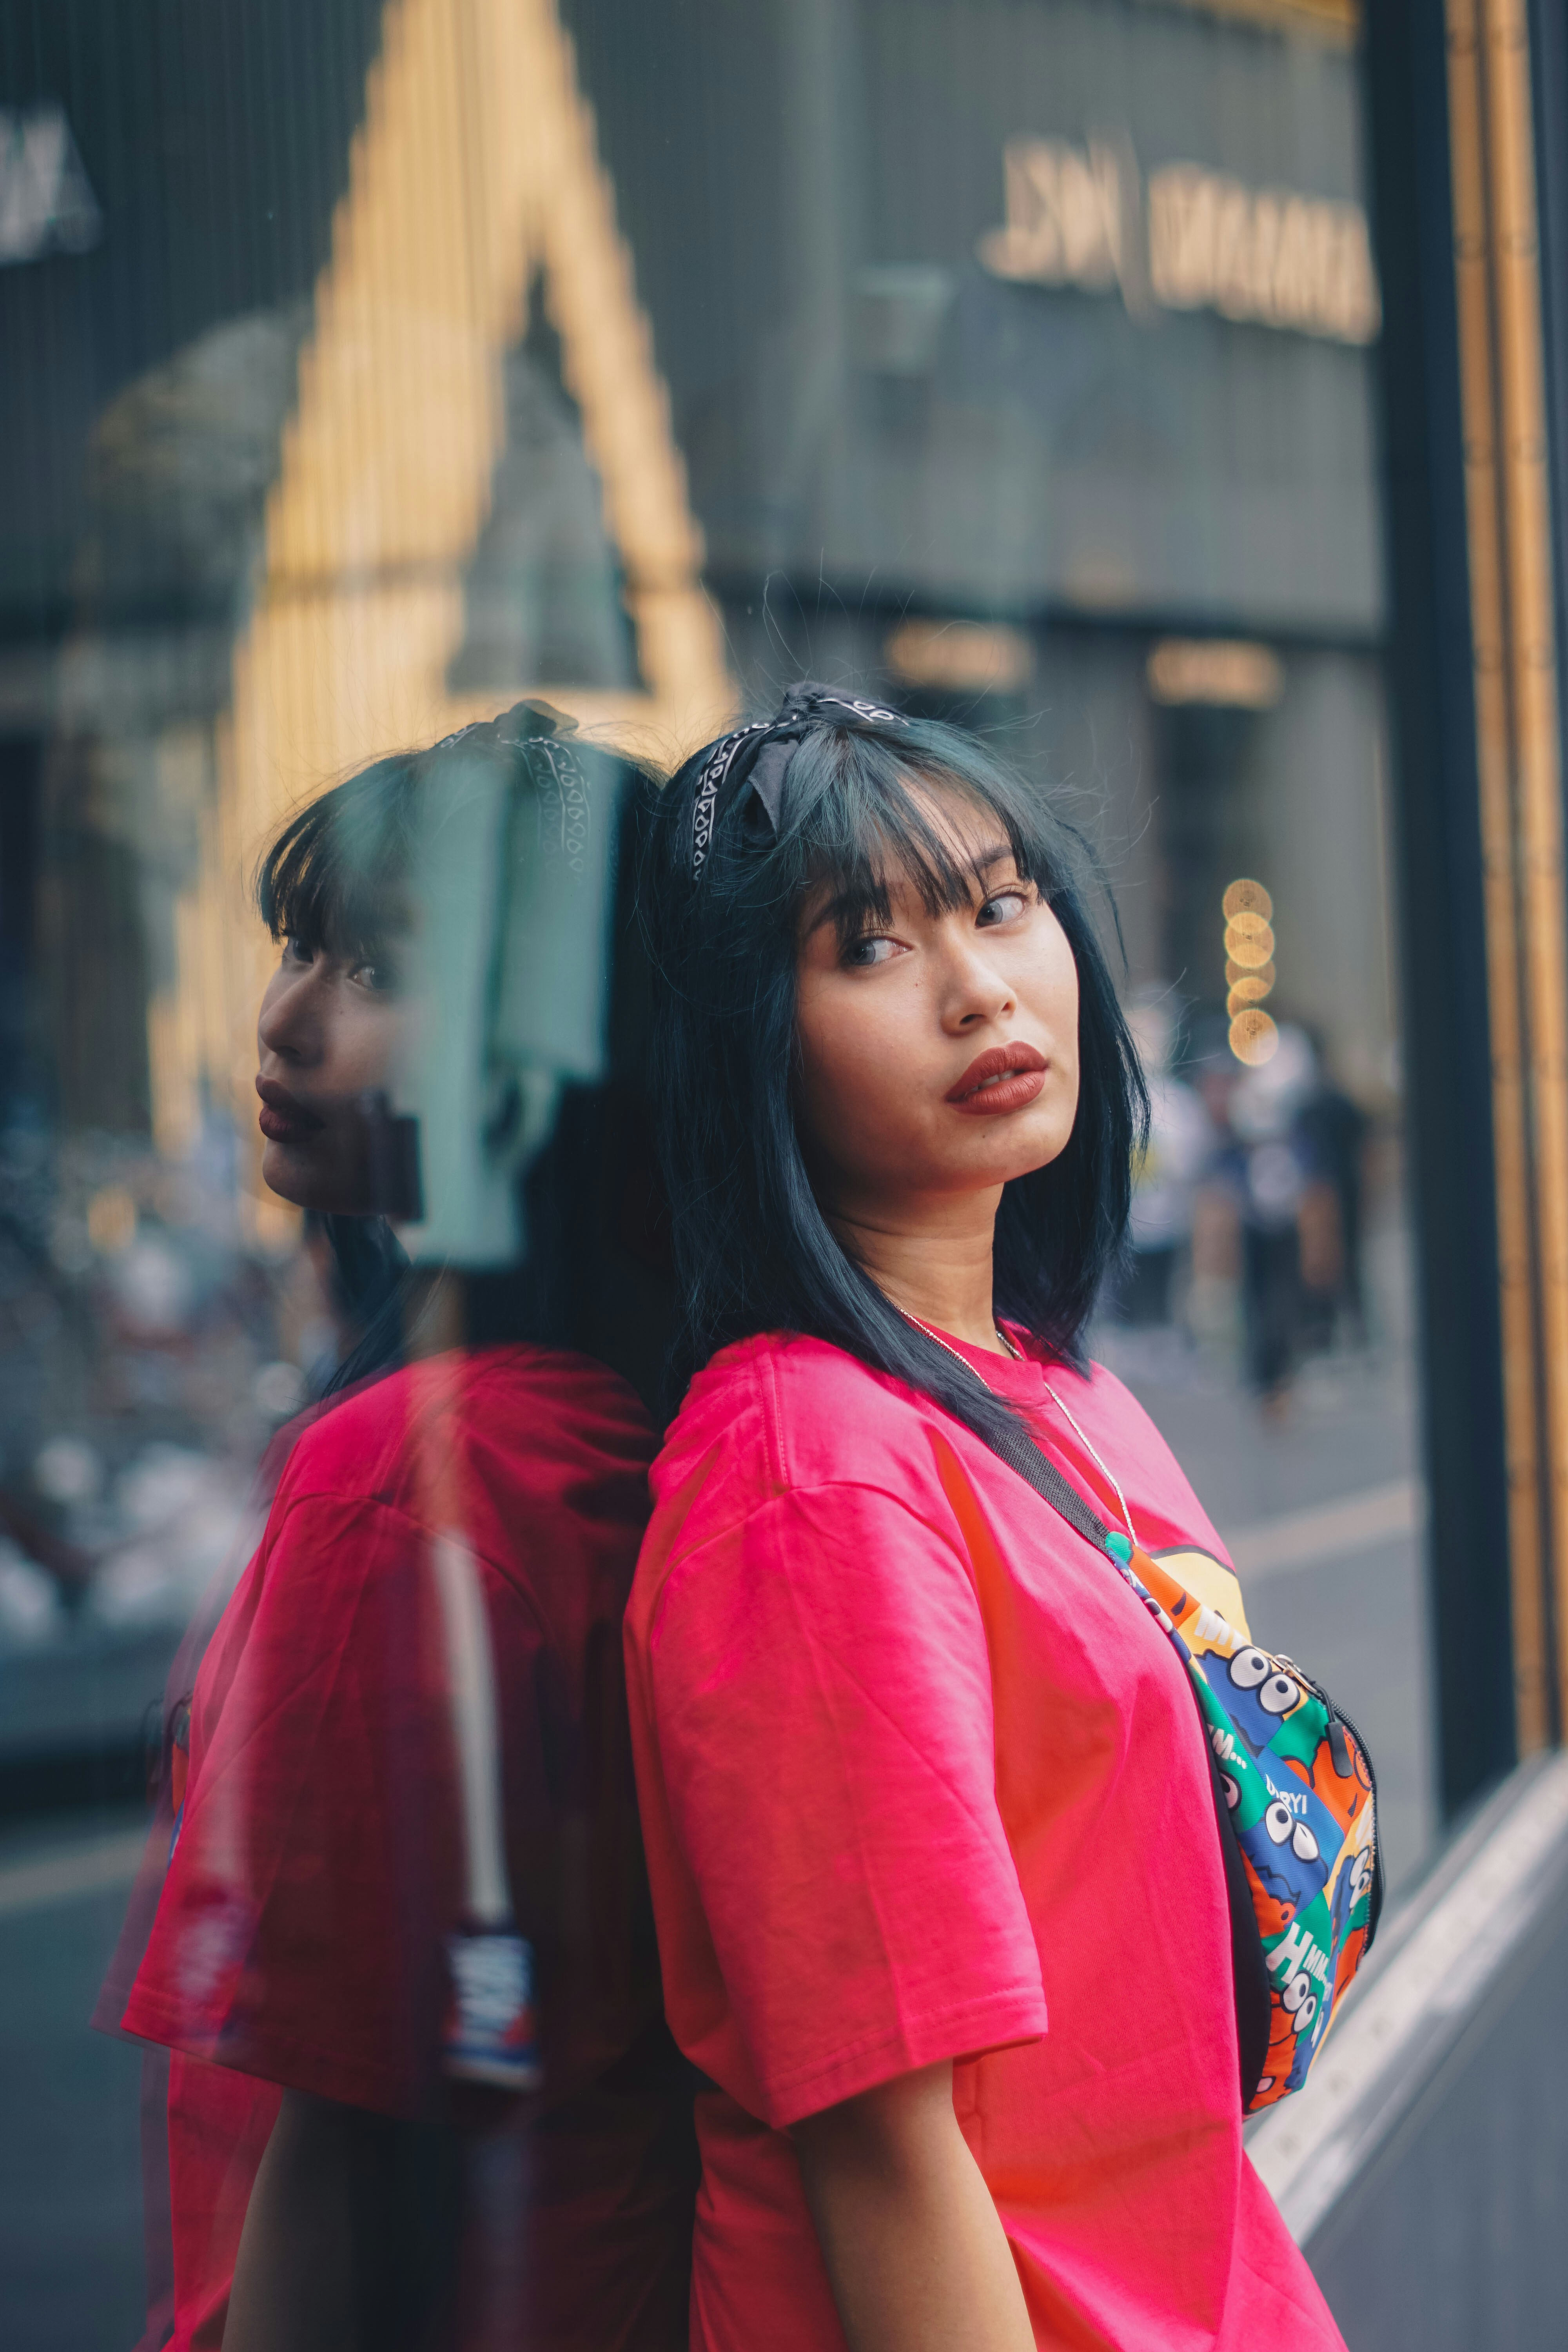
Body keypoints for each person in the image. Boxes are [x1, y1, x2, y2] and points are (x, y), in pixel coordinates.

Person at [623, 684, 1345, 2352]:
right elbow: (886, 2149)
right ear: (747, 1040)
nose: (976, 990)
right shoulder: (810, 1474)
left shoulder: (1048, 1387)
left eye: (997, 903)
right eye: (866, 947)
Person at [98, 709, 695, 2352]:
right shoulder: (653, 1417)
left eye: (374, 973)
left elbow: (345, 2137)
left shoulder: (408, 1480)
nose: (282, 1021)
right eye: (297, 948)